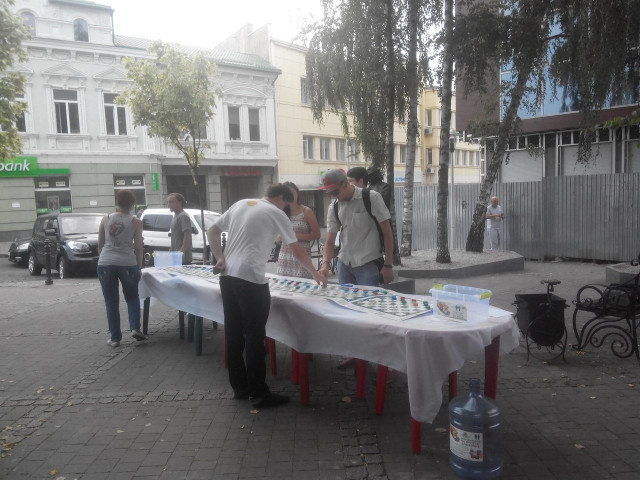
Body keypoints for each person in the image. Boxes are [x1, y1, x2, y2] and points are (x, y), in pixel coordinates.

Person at [207, 184, 327, 408]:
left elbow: (212, 230)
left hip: (228, 276)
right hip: (251, 279)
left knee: (233, 333)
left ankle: (240, 387)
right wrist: (315, 273)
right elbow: (296, 249)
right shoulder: (275, 212)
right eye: (286, 204)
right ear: (280, 198)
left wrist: (220, 257)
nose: (285, 209)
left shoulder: (240, 204)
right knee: (254, 336)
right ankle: (259, 394)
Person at [98, 189, 146, 347]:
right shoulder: (136, 222)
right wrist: (139, 267)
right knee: (132, 297)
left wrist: (105, 258)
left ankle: (115, 338)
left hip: (106, 262)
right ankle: (135, 328)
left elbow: (100, 244)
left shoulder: (106, 219)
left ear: (117, 202)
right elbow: (138, 247)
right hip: (127, 263)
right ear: (133, 204)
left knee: (111, 301)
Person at [276, 181, 321, 278]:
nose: (290, 196)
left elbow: (317, 234)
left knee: (303, 283)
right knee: (285, 284)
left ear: (297, 193)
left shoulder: (306, 211)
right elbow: (278, 235)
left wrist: (294, 236)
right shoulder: (282, 212)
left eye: (292, 192)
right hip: (285, 256)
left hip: (302, 255)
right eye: (287, 193)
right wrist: (280, 236)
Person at [167, 193, 192, 265]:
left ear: (179, 202)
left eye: (171, 202)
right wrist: (171, 250)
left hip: (183, 259)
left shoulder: (183, 216)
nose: (168, 205)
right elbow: (175, 237)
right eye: (168, 202)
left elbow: (187, 235)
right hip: (176, 257)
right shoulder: (176, 216)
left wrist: (181, 252)